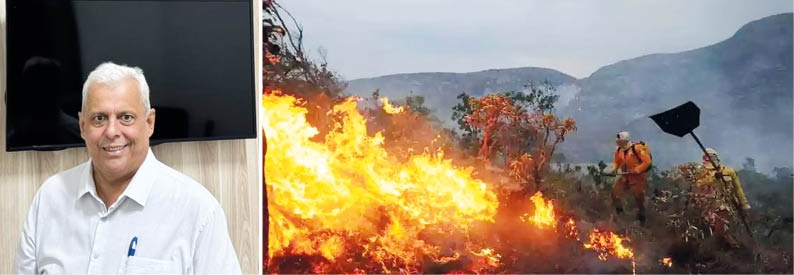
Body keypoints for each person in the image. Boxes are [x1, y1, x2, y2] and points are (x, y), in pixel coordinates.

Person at [13, 62, 242, 274]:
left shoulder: (197, 210)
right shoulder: (49, 198)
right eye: (99, 118)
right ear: (83, 126)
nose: (112, 131)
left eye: (126, 117)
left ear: (149, 122)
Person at [690, 147, 751, 248]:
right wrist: (714, 177)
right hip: (710, 206)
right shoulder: (703, 172)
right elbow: (698, 184)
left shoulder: (730, 171)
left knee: (729, 227)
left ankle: (735, 245)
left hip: (729, 204)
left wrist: (744, 205)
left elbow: (738, 189)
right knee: (714, 228)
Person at [602, 131, 652, 224]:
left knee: (639, 198)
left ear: (624, 140)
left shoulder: (638, 148)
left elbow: (647, 161)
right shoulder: (618, 150)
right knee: (615, 194)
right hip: (625, 177)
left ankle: (642, 218)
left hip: (638, 178)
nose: (617, 141)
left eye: (619, 139)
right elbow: (616, 162)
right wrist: (612, 169)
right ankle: (620, 215)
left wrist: (637, 169)